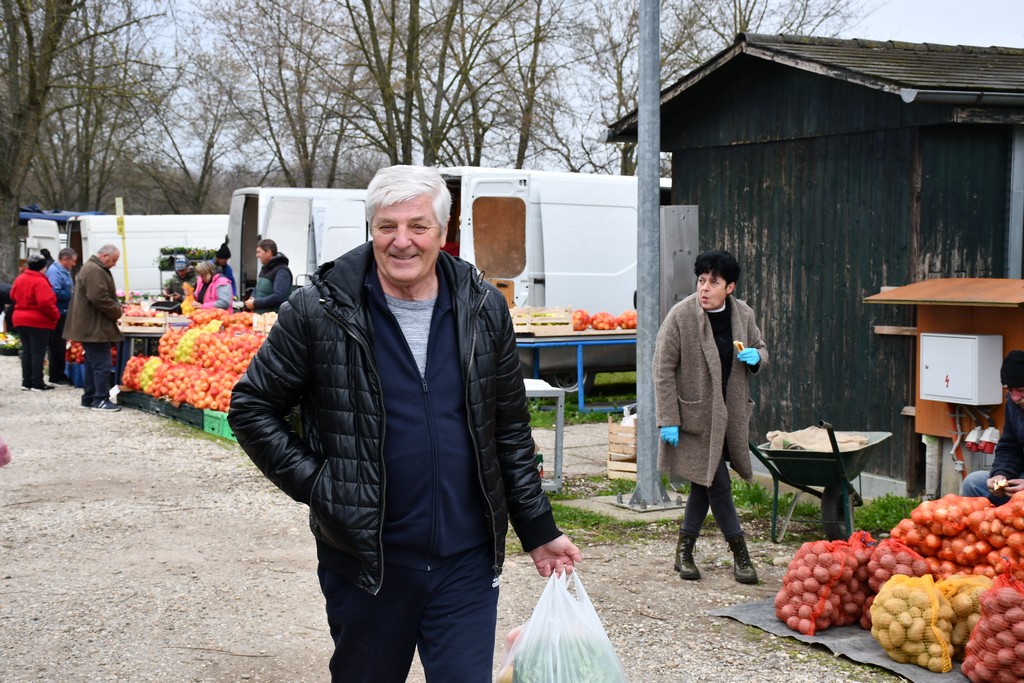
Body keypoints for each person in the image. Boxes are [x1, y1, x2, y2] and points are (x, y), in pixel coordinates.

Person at [228, 164, 581, 682]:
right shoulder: (320, 310)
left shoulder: (484, 308)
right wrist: (324, 487)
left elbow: (507, 429)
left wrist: (537, 528)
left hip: (467, 560)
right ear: (370, 227)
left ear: (443, 230)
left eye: (418, 226)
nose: (402, 242)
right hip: (368, 563)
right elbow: (252, 407)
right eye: (387, 226)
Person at [653, 249, 768, 585]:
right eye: (701, 281)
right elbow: (662, 369)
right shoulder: (681, 316)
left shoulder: (742, 314)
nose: (704, 288)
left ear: (729, 287)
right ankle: (741, 553)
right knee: (719, 484)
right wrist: (668, 418)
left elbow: (761, 347)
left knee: (704, 486)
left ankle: (683, 553)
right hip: (695, 419)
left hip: (728, 418)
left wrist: (755, 356)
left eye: (712, 282)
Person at [63, 245, 123, 412]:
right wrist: (116, 310)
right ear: (104, 256)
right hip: (94, 326)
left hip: (89, 325)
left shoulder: (91, 267)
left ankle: (89, 398)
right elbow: (99, 297)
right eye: (114, 260)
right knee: (102, 363)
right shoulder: (95, 270)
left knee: (92, 363)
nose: (114, 264)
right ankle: (100, 399)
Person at [961, 350, 1024, 504]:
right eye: (1010, 390)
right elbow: (1010, 447)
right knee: (973, 483)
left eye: (1021, 390)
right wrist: (1001, 474)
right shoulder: (1014, 404)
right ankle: (991, 526)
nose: (1015, 397)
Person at [10, 255, 60, 391]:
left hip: (20, 318)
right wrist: (56, 315)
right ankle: (37, 382)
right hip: (38, 321)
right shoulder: (40, 281)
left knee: (27, 351)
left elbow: (12, 295)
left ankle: (26, 382)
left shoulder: (20, 278)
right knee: (38, 352)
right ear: (43, 268)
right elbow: (45, 302)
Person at [46, 247, 78, 385]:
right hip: (58, 313)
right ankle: (56, 375)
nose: (74, 264)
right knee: (57, 345)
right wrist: (72, 295)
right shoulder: (55, 272)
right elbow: (53, 293)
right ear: (65, 259)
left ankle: (59, 373)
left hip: (63, 311)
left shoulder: (64, 271)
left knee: (60, 344)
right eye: (73, 261)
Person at [243, 240, 291, 313]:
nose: (257, 255)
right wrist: (252, 298)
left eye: (259, 252)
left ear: (268, 252)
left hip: (273, 320)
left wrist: (255, 303)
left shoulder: (282, 271)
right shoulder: (265, 269)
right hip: (261, 319)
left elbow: (279, 296)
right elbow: (257, 289)